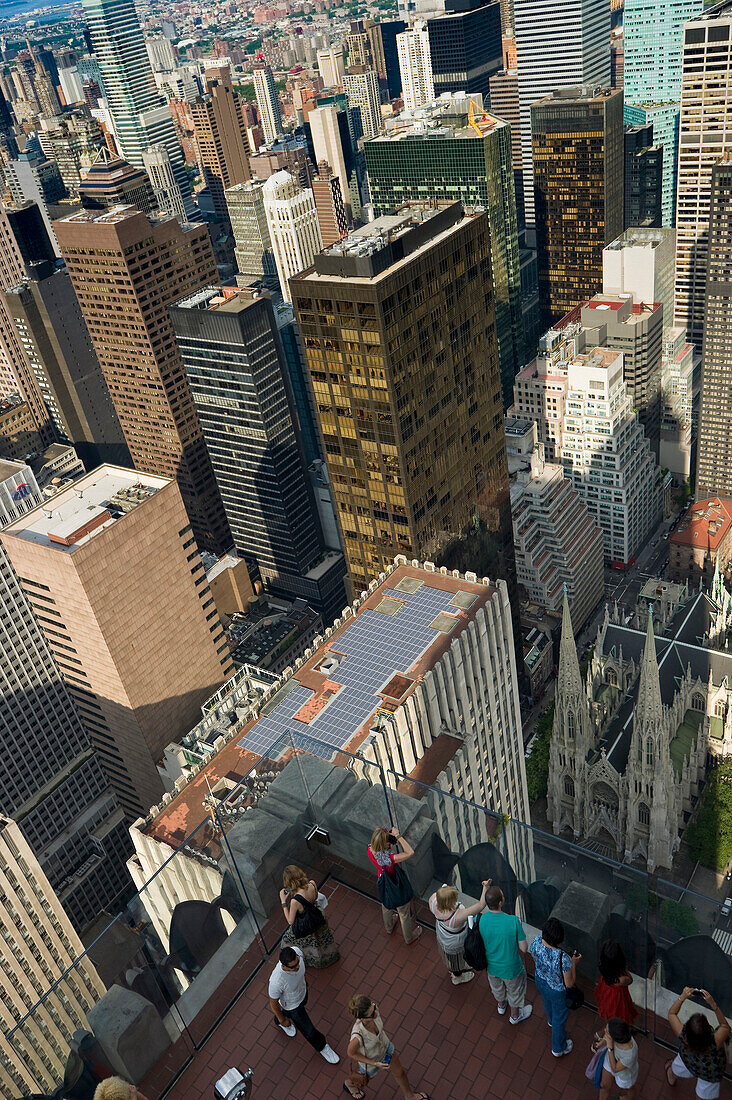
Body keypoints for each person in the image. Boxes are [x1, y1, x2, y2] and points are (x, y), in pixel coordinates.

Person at [344, 994, 429, 1100]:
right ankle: (350, 1084)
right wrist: (374, 1063)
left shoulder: (374, 1010)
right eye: (371, 1014)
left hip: (386, 1049)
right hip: (371, 1061)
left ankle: (410, 1096)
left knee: (400, 1073)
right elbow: (351, 1053)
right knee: (363, 1080)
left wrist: (373, 1009)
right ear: (362, 1018)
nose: (376, 1012)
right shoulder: (358, 1035)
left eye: (373, 1006)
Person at [268, 945, 340, 1064]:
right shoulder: (276, 982)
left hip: (302, 993)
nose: (298, 966)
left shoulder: (297, 953)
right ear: (284, 966)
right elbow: (273, 1003)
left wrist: (305, 982)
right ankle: (322, 1047)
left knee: (289, 1012)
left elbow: (301, 972)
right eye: (294, 966)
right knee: (309, 1031)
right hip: (292, 1006)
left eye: (298, 962)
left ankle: (279, 1019)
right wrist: (283, 1020)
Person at [479, 885, 532, 1024]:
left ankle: (501, 1006)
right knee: (514, 991)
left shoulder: (482, 920)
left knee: (497, 988)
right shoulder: (513, 921)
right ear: (500, 903)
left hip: (491, 966)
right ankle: (515, 1016)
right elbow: (524, 948)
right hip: (511, 968)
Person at [529, 916, 580, 1057]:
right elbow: (569, 983)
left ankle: (551, 1020)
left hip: (540, 980)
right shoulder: (563, 957)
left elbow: (533, 956)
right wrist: (574, 963)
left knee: (547, 1001)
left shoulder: (536, 942)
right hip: (557, 991)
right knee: (560, 1017)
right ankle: (558, 1048)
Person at [666, 987, 729, 1098]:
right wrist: (713, 1004)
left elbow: (672, 1013)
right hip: (710, 1071)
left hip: (688, 1059)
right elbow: (724, 1026)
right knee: (704, 1094)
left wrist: (683, 997)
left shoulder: (682, 1035)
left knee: (677, 1067)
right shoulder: (715, 1042)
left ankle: (671, 1077)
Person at [428, 878, 491, 985]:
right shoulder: (457, 916)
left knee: (451, 958)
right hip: (455, 942)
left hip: (443, 934)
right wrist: (486, 888)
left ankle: (457, 971)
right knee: (455, 962)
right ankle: (457, 977)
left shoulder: (433, 899)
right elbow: (481, 905)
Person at [367, 826, 421, 944]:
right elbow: (410, 852)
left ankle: (389, 927)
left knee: (386, 905)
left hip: (383, 881)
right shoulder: (391, 859)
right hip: (395, 885)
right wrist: (398, 836)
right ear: (384, 844)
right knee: (404, 913)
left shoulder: (370, 850)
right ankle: (409, 938)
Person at [279, 864, 339, 968]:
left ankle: (307, 958)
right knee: (322, 939)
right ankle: (329, 957)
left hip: (307, 924)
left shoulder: (295, 901)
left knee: (287, 939)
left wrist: (283, 902)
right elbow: (315, 897)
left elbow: (290, 921)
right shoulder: (312, 884)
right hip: (317, 916)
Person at [594, 940, 637, 1033]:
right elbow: (630, 980)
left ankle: (608, 1028)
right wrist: (623, 969)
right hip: (617, 997)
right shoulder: (621, 979)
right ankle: (608, 1030)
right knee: (620, 1014)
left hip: (606, 990)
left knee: (610, 1013)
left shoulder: (605, 970)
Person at [599, 1018, 639, 1099]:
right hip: (610, 1060)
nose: (604, 1031)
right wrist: (600, 1044)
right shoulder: (618, 1033)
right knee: (603, 1085)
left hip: (625, 1074)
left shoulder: (630, 1054)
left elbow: (615, 1069)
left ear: (615, 1038)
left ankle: (629, 1097)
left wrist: (610, 1048)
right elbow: (606, 1037)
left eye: (607, 1032)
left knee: (629, 1088)